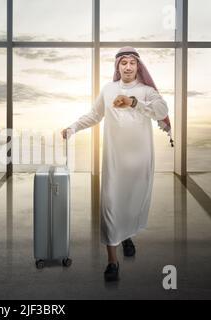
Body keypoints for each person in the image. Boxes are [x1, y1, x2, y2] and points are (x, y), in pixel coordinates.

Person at [61, 47, 171, 282]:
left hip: (140, 160)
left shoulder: (146, 91)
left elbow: (162, 110)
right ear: (118, 67)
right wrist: (73, 128)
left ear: (138, 67)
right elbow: (94, 114)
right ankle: (112, 262)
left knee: (131, 204)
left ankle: (126, 235)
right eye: (124, 63)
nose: (128, 67)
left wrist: (134, 103)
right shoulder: (109, 90)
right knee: (110, 204)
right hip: (114, 160)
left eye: (132, 63)